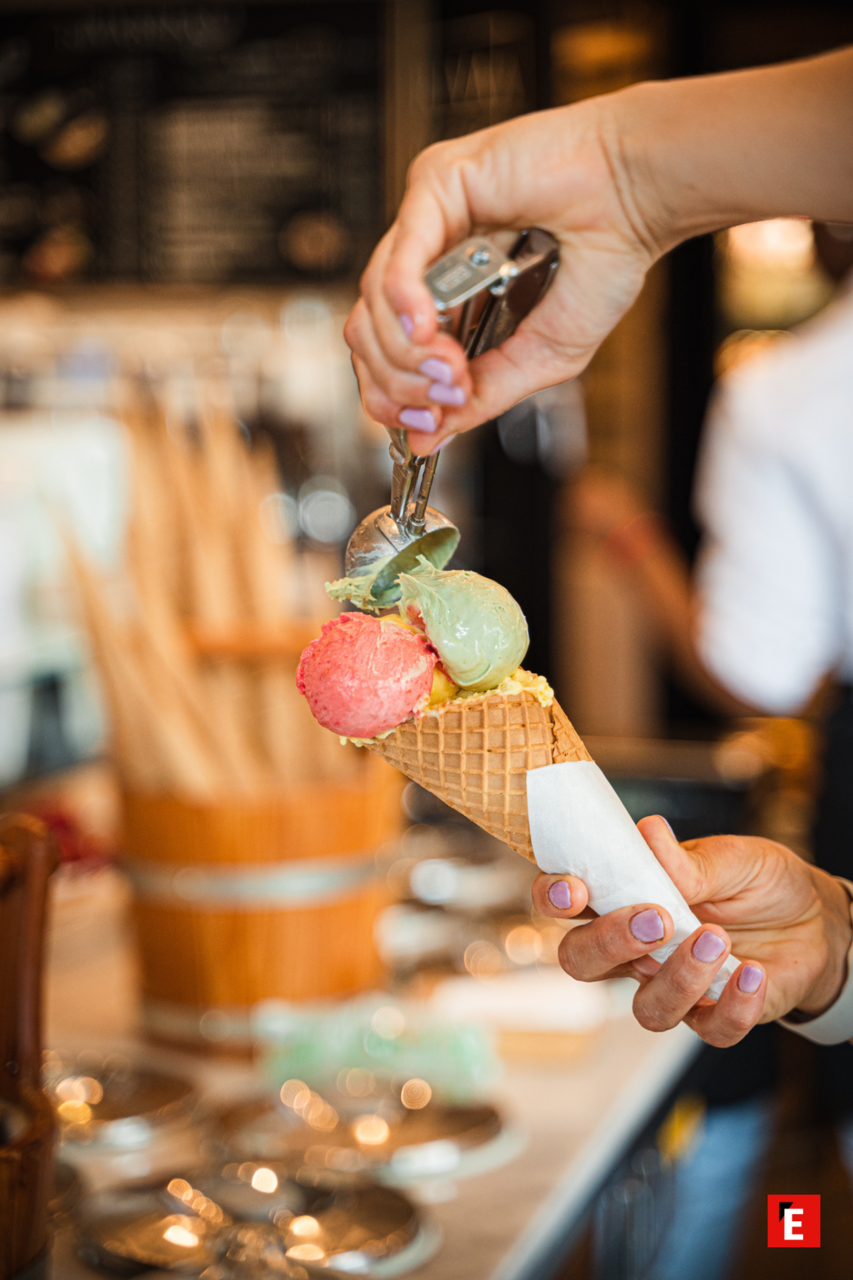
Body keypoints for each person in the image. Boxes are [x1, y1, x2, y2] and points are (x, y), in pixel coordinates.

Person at [345, 46, 853, 1046]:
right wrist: (835, 938)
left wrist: (629, 174)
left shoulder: (791, 388)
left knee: (793, 1212)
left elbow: (761, 672)